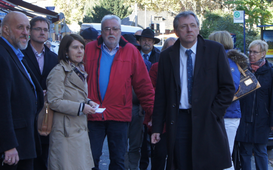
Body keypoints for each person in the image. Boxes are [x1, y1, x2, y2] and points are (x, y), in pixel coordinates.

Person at [151, 11, 235, 170]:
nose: (189, 30)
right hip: (179, 120)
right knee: (182, 163)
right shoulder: (167, 56)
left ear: (198, 29)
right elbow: (161, 95)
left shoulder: (214, 50)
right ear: (176, 31)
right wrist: (156, 127)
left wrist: (215, 112)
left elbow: (228, 87)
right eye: (184, 27)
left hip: (207, 118)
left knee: (207, 163)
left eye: (193, 25)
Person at [84, 14, 154, 170]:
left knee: (118, 160)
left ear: (120, 31)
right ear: (101, 32)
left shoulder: (131, 51)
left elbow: (144, 86)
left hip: (119, 115)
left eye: (115, 29)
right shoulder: (89, 49)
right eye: (107, 29)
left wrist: (152, 113)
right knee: (90, 159)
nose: (111, 32)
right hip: (93, 113)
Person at [46, 34, 98, 170]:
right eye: (75, 47)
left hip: (77, 130)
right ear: (66, 52)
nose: (80, 51)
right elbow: (54, 101)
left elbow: (74, 95)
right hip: (65, 134)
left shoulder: (80, 70)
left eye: (82, 47)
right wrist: (81, 107)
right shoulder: (58, 71)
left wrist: (89, 102)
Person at [0, 11, 44, 170]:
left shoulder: (15, 54)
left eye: (27, 27)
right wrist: (8, 144)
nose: (26, 32)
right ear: (6, 30)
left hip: (24, 142)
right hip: (13, 148)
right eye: (20, 27)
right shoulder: (2, 55)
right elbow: (2, 103)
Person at [21, 16, 58, 170]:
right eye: (38, 29)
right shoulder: (20, 55)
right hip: (25, 111)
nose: (42, 32)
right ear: (30, 31)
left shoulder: (54, 57)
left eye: (45, 30)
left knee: (44, 155)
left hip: (46, 113)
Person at [208, 30, 249, 170]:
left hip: (226, 115)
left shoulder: (226, 61)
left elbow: (230, 88)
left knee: (224, 158)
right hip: (226, 114)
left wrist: (214, 109)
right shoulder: (225, 60)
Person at [235, 40, 273, 170]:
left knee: (260, 151)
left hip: (263, 118)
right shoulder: (243, 70)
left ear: (263, 54)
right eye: (250, 51)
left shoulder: (270, 72)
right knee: (245, 151)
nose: (251, 55)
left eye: (255, 52)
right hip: (244, 117)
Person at [122, 33, 151, 170]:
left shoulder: (144, 63)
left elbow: (147, 88)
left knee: (135, 145)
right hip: (120, 108)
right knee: (120, 145)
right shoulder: (117, 62)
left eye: (134, 47)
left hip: (137, 109)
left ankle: (132, 167)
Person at [148, 37, 176, 170]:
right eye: (169, 47)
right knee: (159, 153)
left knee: (176, 156)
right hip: (161, 119)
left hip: (178, 119)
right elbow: (151, 92)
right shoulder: (156, 68)